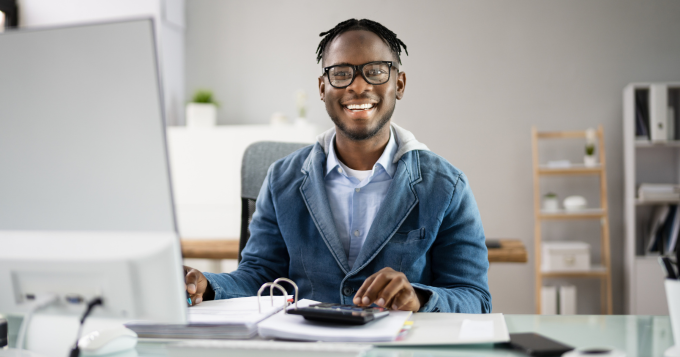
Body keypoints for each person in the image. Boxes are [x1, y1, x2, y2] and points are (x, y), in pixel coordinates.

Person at [184, 18, 491, 313]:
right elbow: (258, 277)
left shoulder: (447, 186)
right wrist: (207, 285)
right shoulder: (281, 179)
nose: (358, 87)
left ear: (399, 83)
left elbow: (474, 297)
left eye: (375, 71)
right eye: (342, 73)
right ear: (322, 88)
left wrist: (420, 298)